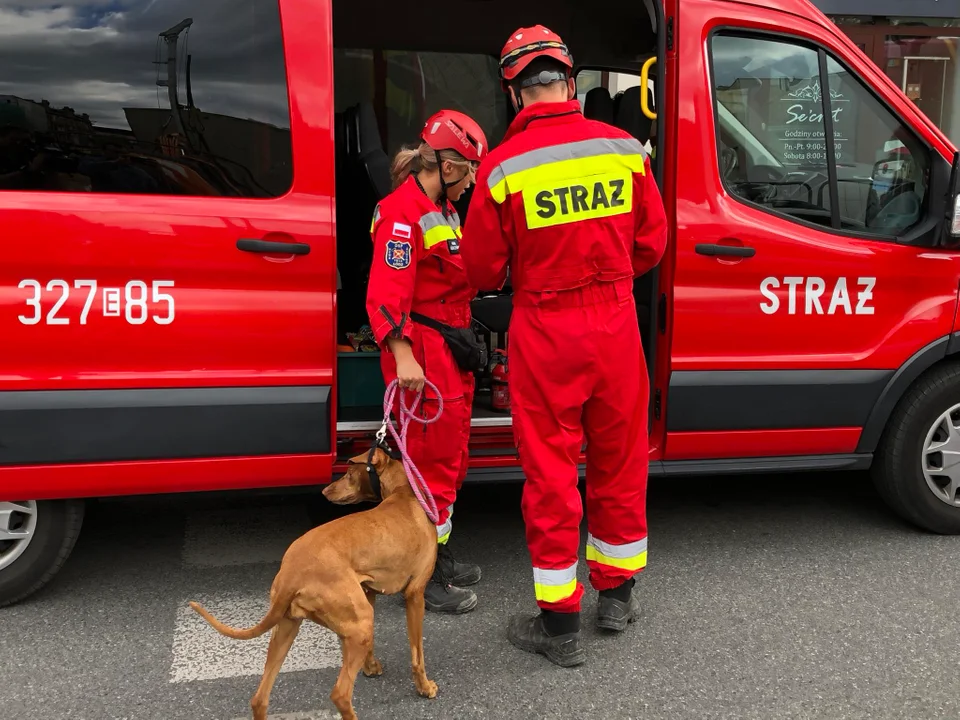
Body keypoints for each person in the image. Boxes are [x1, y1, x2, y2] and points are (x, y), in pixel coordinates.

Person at [460, 26, 668, 666]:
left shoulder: (500, 168)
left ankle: (559, 628)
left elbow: (480, 268)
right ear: (570, 83)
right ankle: (616, 595)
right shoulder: (625, 149)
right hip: (613, 324)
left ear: (514, 92)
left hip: (545, 329)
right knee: (619, 457)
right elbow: (651, 244)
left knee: (551, 473)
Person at [365, 109, 489, 615]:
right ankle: (422, 573)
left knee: (450, 457)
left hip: (447, 342)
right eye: (472, 172)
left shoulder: (442, 207)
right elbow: (385, 293)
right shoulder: (401, 214)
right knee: (425, 463)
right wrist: (402, 356)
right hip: (421, 350)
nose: (475, 182)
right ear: (450, 166)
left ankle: (436, 548)